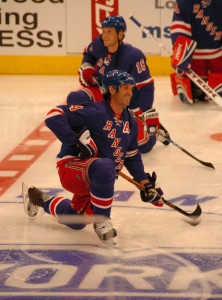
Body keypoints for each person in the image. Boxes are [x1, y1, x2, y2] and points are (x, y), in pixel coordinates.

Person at [23, 70, 164, 246]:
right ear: (112, 90)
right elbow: (54, 115)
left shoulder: (130, 122)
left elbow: (132, 155)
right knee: (106, 167)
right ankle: (102, 221)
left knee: (76, 221)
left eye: (131, 88)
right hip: (72, 166)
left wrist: (144, 182)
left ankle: (39, 198)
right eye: (125, 88)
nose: (130, 92)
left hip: (97, 175)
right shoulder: (94, 111)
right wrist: (75, 141)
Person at [67, 15, 170, 154]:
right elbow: (88, 53)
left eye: (109, 31)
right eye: (103, 31)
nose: (105, 35)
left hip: (128, 103)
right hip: (103, 93)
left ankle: (156, 133)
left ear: (120, 34)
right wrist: (87, 66)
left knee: (141, 147)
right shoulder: (99, 44)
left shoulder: (134, 55)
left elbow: (146, 86)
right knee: (75, 99)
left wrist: (147, 112)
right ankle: (84, 139)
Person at [170, 0, 222, 104]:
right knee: (195, 93)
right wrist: (180, 53)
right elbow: (180, 29)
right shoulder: (184, 3)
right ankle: (183, 82)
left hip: (218, 54)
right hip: (194, 57)